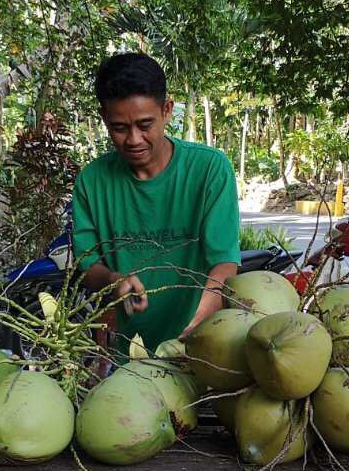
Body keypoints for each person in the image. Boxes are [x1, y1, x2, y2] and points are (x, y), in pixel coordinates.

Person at [72, 52, 240, 350]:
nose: (134, 139)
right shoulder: (92, 181)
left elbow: (225, 262)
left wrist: (200, 321)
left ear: (167, 110)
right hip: (127, 356)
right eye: (120, 128)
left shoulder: (209, 170)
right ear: (104, 118)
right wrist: (114, 279)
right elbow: (87, 267)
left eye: (145, 124)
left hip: (199, 347)